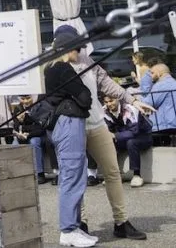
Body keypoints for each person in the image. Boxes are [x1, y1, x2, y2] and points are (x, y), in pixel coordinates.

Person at [56, 19, 151, 240]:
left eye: (77, 45)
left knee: (112, 172)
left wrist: (133, 100)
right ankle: (80, 223)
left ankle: (121, 222)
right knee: (76, 177)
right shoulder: (55, 67)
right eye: (72, 46)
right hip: (72, 128)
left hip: (97, 124)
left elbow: (107, 84)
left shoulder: (87, 60)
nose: (77, 50)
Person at [44, 25, 96, 247]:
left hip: (61, 125)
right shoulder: (63, 69)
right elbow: (85, 98)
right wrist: (82, 96)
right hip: (69, 124)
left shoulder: (49, 68)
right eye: (77, 49)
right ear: (68, 49)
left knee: (72, 174)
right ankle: (68, 230)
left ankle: (73, 227)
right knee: (73, 176)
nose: (79, 53)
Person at [103, 95, 152, 188]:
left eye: (111, 101)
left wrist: (115, 135)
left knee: (131, 142)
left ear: (118, 99)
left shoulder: (129, 109)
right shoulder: (105, 111)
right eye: (106, 102)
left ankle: (137, 175)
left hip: (143, 136)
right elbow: (108, 130)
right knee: (109, 143)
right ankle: (114, 175)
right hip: (124, 137)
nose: (108, 104)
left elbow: (134, 132)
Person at [13, 94, 51, 184]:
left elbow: (40, 128)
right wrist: (20, 128)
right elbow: (16, 126)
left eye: (28, 98)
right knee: (14, 145)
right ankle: (19, 174)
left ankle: (39, 172)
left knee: (34, 142)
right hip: (25, 134)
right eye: (23, 99)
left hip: (37, 135)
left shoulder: (39, 107)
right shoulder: (18, 108)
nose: (25, 101)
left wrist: (26, 130)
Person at [138, 61, 176, 131]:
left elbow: (147, 103)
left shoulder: (161, 84)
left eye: (152, 73)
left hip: (165, 126)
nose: (151, 76)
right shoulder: (173, 82)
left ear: (159, 73)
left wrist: (136, 99)